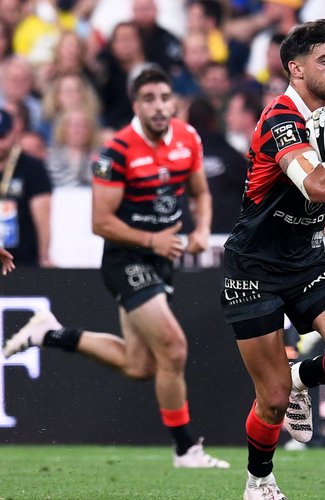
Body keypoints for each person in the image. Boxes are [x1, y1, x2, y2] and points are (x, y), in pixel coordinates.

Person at [2, 67, 228, 469]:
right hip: (127, 259)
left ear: (173, 102)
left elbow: (200, 193)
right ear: (136, 105)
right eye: (149, 99)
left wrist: (202, 229)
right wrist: (152, 241)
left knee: (139, 365)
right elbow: (100, 222)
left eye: (165, 98)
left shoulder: (187, 138)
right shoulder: (116, 152)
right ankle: (186, 450)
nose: (159, 106)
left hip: (162, 259)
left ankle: (49, 334)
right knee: (173, 348)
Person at [219, 20, 325, 500]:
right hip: (253, 267)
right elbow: (317, 186)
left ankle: (300, 376)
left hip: (308, 259)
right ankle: (259, 480)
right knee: (272, 401)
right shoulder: (280, 120)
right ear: (296, 69)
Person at [0, 108, 53, 267]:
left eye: (2, 137)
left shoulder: (32, 167)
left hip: (23, 259)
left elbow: (43, 217)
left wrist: (44, 255)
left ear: (13, 133)